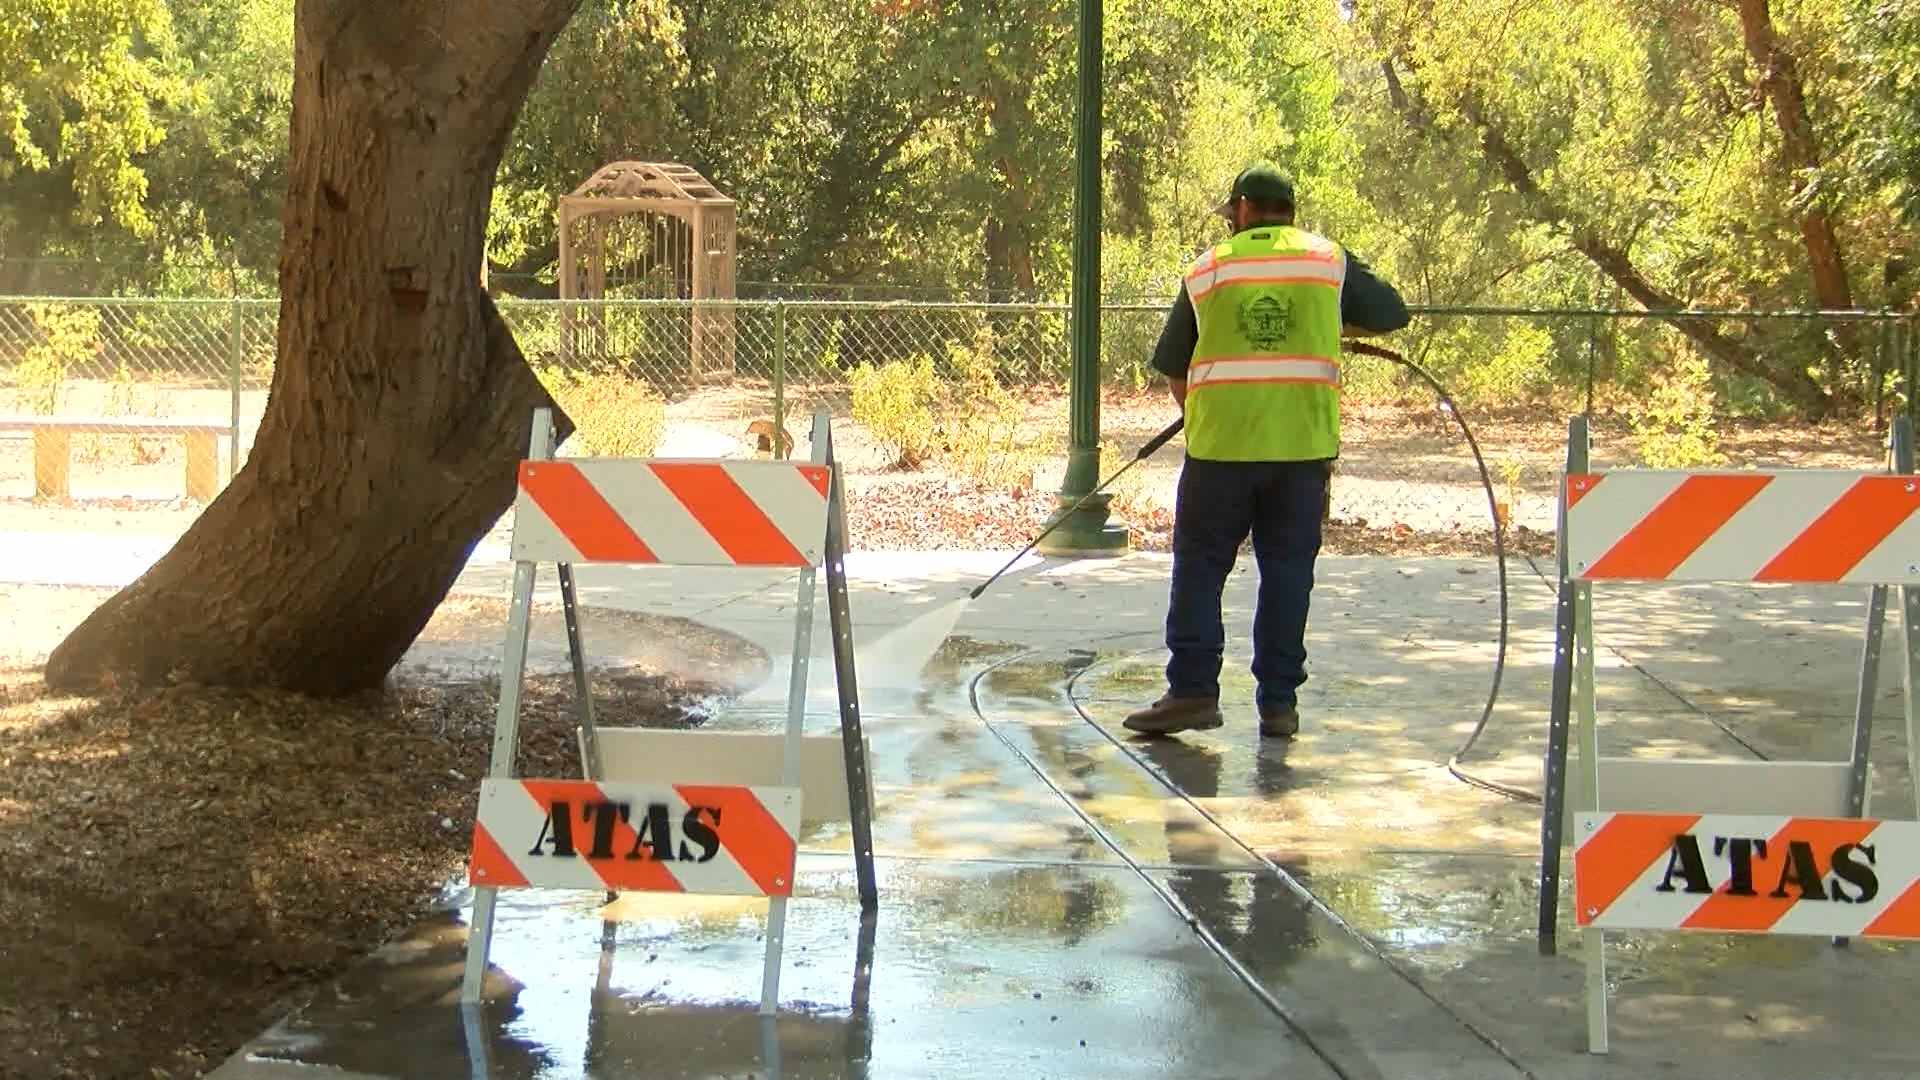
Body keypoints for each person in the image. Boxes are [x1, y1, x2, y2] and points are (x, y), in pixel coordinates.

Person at [1124, 164, 1409, 740]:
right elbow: (1392, 313)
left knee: (1202, 568)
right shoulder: (1329, 263)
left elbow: (1176, 367)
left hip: (1220, 453)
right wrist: (1334, 323)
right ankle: (1279, 704)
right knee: (1287, 573)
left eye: (1234, 213)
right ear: (1290, 211)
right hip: (1301, 453)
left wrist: (1205, 410)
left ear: (1245, 209)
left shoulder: (1209, 270)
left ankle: (1193, 692)